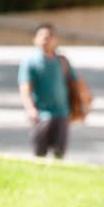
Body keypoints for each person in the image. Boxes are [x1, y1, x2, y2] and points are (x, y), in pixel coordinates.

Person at [19, 24, 77, 159]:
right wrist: (30, 108)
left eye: (50, 36)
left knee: (59, 154)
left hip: (62, 113)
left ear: (55, 39)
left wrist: (82, 103)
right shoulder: (30, 62)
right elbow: (25, 88)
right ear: (35, 40)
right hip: (41, 115)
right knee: (39, 154)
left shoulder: (62, 61)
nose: (46, 39)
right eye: (43, 36)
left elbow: (75, 82)